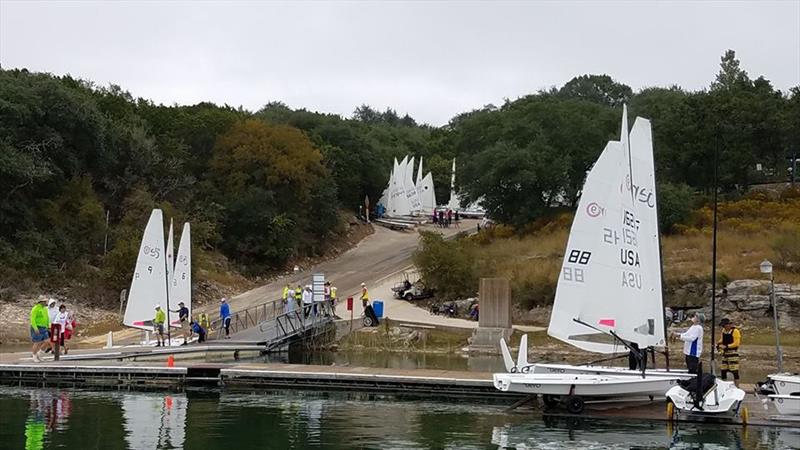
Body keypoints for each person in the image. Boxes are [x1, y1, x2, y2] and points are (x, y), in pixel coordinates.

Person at [717, 318, 741, 386]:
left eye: (724, 325)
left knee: (734, 371)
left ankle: (737, 386)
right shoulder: (724, 331)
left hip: (733, 353)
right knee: (723, 370)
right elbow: (722, 339)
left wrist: (727, 346)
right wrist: (718, 344)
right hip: (725, 353)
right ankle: (724, 385)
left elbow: (736, 343)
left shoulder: (735, 331)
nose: (724, 327)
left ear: (728, 325)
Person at [30, 298, 50, 362]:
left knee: (47, 341)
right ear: (41, 302)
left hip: (44, 327)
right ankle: (34, 356)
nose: (46, 303)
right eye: (44, 301)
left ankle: (39, 353)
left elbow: (47, 317)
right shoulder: (35, 308)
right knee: (37, 342)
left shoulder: (45, 309)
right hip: (37, 327)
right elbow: (32, 319)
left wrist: (48, 326)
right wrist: (35, 328)